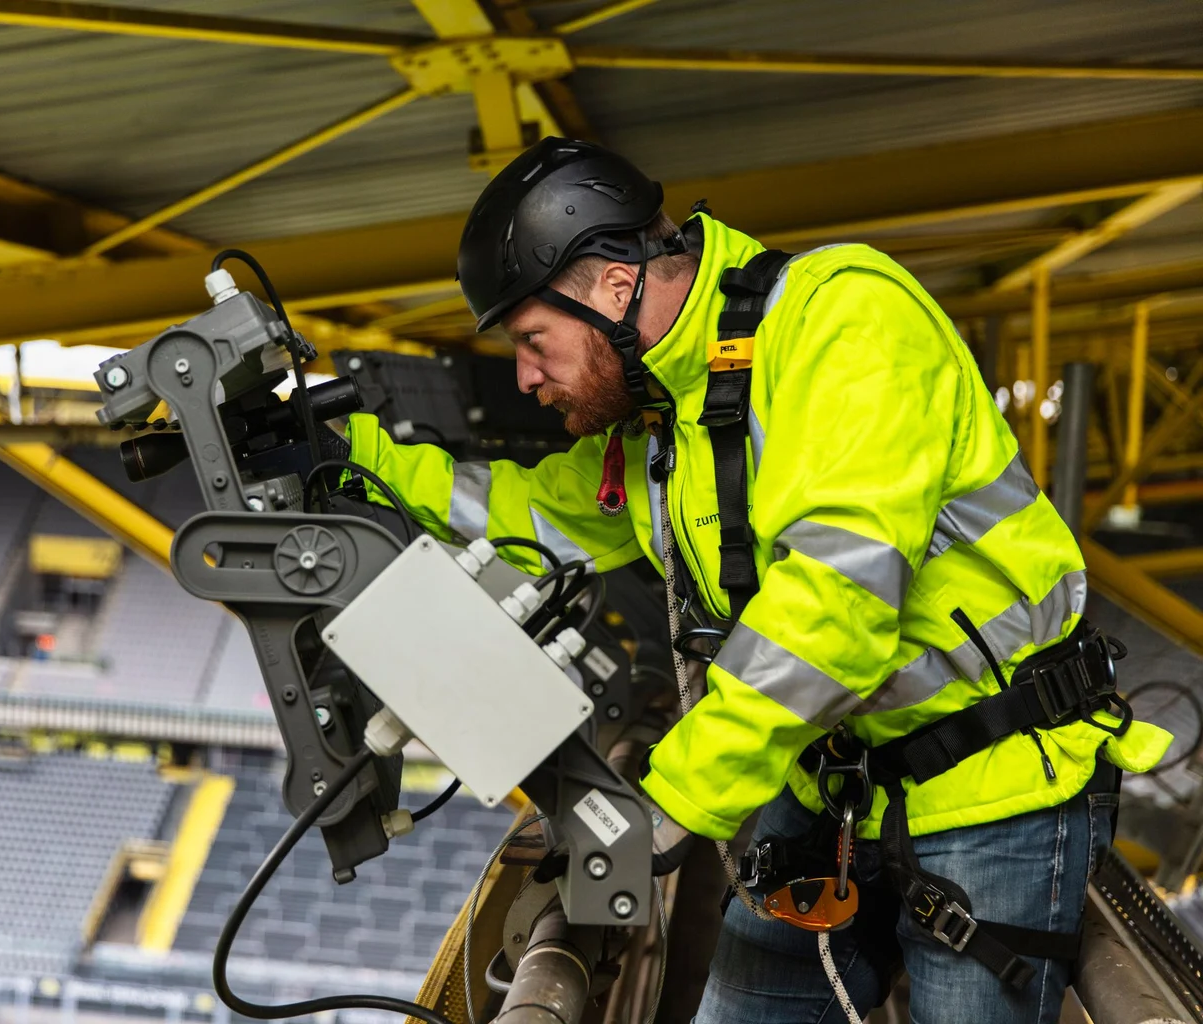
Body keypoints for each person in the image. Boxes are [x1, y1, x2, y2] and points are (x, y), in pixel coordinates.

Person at [339, 137, 1170, 1023]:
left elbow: (835, 606)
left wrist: (673, 799)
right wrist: (354, 456)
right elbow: (537, 515)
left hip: (991, 793)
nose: (526, 375)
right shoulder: (672, 410)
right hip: (825, 787)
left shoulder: (846, 317)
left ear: (615, 287)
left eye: (535, 339)